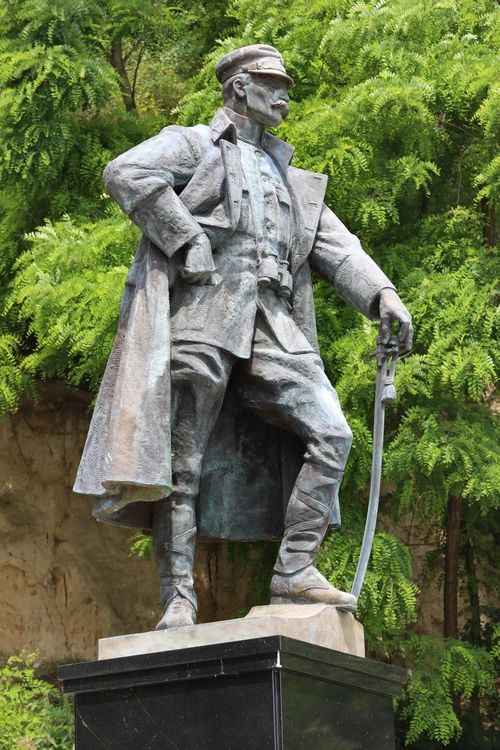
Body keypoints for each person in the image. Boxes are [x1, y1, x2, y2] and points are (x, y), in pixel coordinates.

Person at [74, 44, 412, 630]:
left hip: (273, 323)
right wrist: (186, 237)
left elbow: (339, 249)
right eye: (272, 85)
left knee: (333, 433)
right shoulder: (192, 145)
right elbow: (124, 172)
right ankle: (178, 599)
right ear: (239, 86)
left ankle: (294, 570)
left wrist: (382, 294)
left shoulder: (292, 178)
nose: (284, 97)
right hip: (203, 317)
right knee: (182, 463)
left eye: (285, 88)